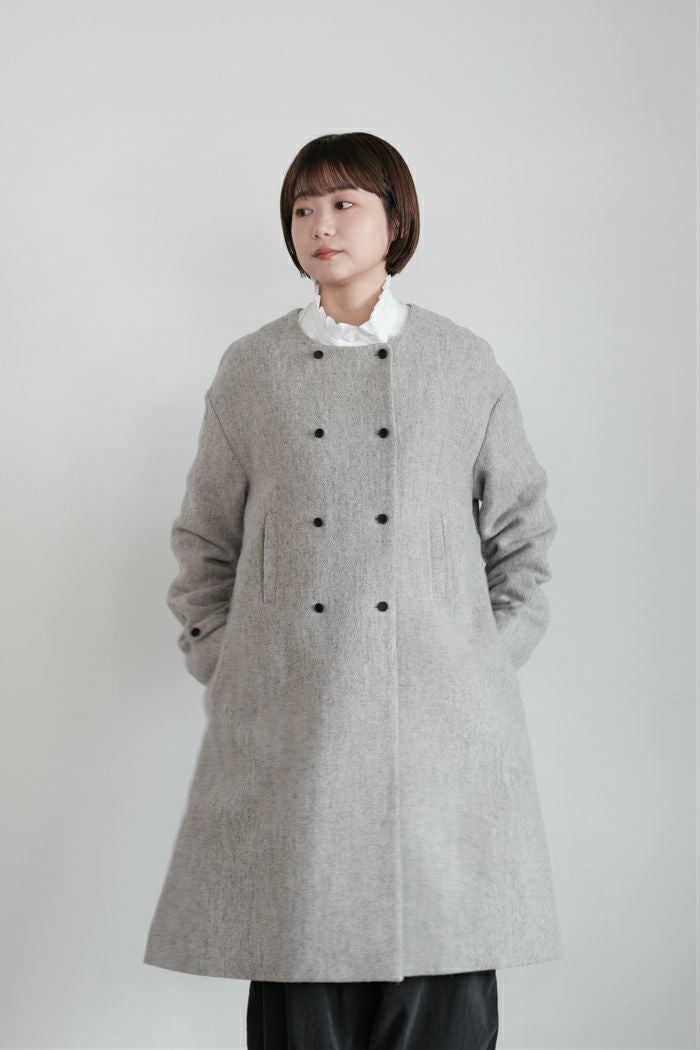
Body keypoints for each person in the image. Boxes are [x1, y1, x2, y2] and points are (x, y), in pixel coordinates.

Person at [143, 132, 562, 1049]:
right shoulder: (252, 369)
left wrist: (479, 664)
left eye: (343, 204)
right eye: (302, 208)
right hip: (297, 731)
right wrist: (236, 666)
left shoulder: (462, 363)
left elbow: (522, 534)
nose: (319, 225)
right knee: (303, 993)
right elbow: (205, 542)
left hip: (441, 737)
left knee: (445, 985)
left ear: (394, 221)